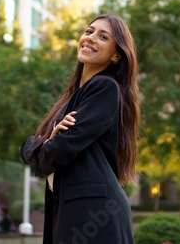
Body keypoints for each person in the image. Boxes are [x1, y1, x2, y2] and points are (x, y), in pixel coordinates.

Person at [20, 14, 139, 244]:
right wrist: (46, 145)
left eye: (103, 36)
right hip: (76, 212)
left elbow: (61, 149)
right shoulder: (72, 99)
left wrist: (46, 147)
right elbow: (27, 147)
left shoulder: (104, 87)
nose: (91, 38)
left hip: (95, 215)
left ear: (116, 54)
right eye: (89, 31)